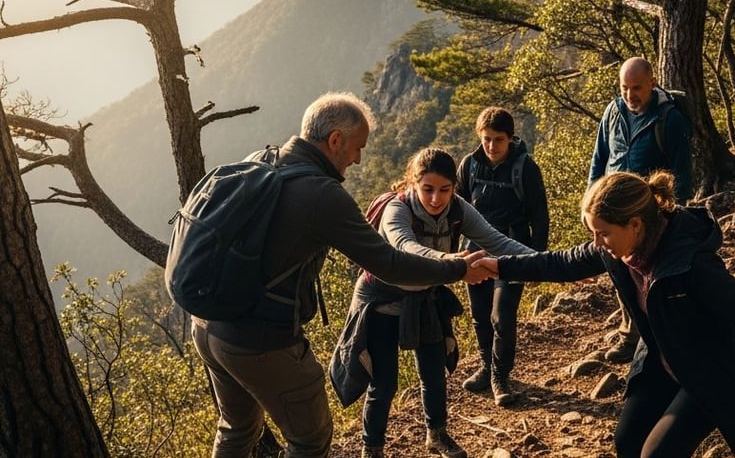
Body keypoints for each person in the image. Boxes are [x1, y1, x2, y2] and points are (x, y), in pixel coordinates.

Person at [190, 93, 491, 457]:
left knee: (236, 430)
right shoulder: (323, 195)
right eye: (357, 146)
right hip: (258, 339)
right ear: (335, 140)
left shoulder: (263, 160)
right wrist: (458, 267)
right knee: (309, 441)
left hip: (207, 325)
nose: (358, 158)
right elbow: (390, 262)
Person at [473, 171, 735, 458]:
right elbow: (560, 262)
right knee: (627, 441)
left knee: (658, 454)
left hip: (710, 371)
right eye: (592, 232)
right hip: (662, 361)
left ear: (634, 224)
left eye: (602, 232)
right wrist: (499, 266)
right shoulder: (615, 248)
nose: (596, 242)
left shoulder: (690, 262)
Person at [330, 148, 534, 458]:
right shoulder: (397, 211)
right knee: (384, 383)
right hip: (382, 297)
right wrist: (456, 264)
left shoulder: (459, 210)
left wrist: (546, 265)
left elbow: (497, 241)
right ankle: (371, 450)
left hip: (424, 296)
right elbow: (405, 248)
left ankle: (436, 434)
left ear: (454, 187)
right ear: (413, 184)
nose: (436, 199)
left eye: (445, 190)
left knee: (433, 372)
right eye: (427, 189)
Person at [589, 56, 693, 364]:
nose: (631, 96)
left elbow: (682, 174)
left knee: (646, 279)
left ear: (653, 83)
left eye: (637, 88)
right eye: (624, 88)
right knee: (621, 276)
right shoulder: (612, 112)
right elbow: (600, 159)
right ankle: (630, 334)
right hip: (609, 213)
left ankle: (650, 338)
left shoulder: (669, 119)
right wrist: (590, 204)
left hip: (645, 218)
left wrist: (675, 218)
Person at [455, 107, 549, 406]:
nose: (492, 146)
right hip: (476, 251)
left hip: (514, 252)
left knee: (502, 316)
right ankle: (486, 366)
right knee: (480, 315)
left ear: (510, 139)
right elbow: (456, 210)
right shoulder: (469, 165)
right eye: (486, 139)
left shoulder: (525, 168)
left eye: (498, 140)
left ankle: (500, 376)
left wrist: (538, 262)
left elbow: (540, 217)